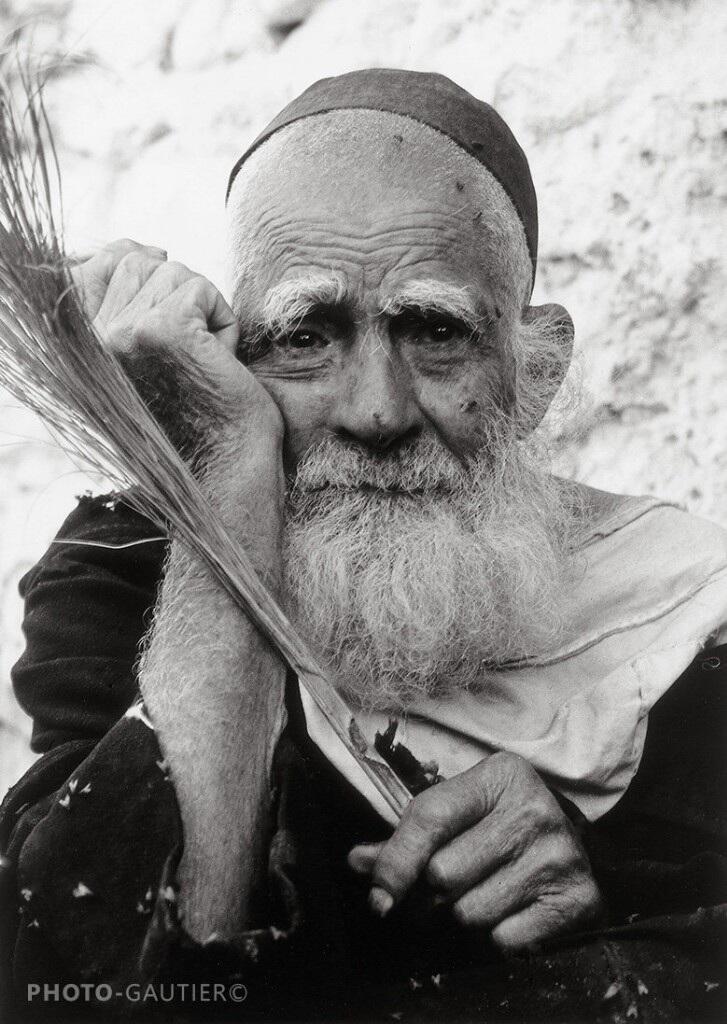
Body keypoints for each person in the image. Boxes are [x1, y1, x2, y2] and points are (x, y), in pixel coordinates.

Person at [1, 69, 725, 1022]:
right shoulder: (130, 559)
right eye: (305, 334)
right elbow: (71, 983)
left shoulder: (679, 610)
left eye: (434, 330)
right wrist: (227, 465)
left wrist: (604, 883)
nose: (376, 409)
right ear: (237, 359)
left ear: (534, 369)